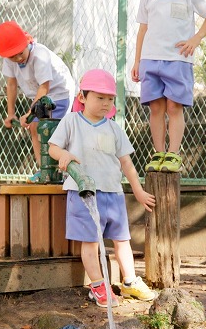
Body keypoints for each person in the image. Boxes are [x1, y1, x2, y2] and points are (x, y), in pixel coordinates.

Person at [48, 69, 158, 307]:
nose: (106, 103)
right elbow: (53, 148)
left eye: (110, 99)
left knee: (122, 240)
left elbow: (126, 162)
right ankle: (98, 286)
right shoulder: (71, 121)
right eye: (100, 97)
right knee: (90, 243)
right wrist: (64, 154)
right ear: (83, 97)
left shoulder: (114, 128)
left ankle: (129, 283)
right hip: (83, 193)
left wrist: (137, 191)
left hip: (114, 193)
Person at [131, 0, 206, 174]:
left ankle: (174, 154)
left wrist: (195, 39)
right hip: (150, 60)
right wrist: (137, 60)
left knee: (174, 107)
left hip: (178, 60)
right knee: (155, 108)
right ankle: (159, 153)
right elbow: (143, 30)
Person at [0, 20, 75, 182]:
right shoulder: (10, 60)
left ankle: (61, 171)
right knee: (35, 129)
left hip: (58, 94)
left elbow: (44, 87)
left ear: (26, 42)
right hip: (39, 97)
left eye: (20, 53)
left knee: (52, 132)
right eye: (12, 56)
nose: (17, 58)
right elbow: (11, 85)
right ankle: (43, 171)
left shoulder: (39, 55)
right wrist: (11, 114)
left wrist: (29, 114)